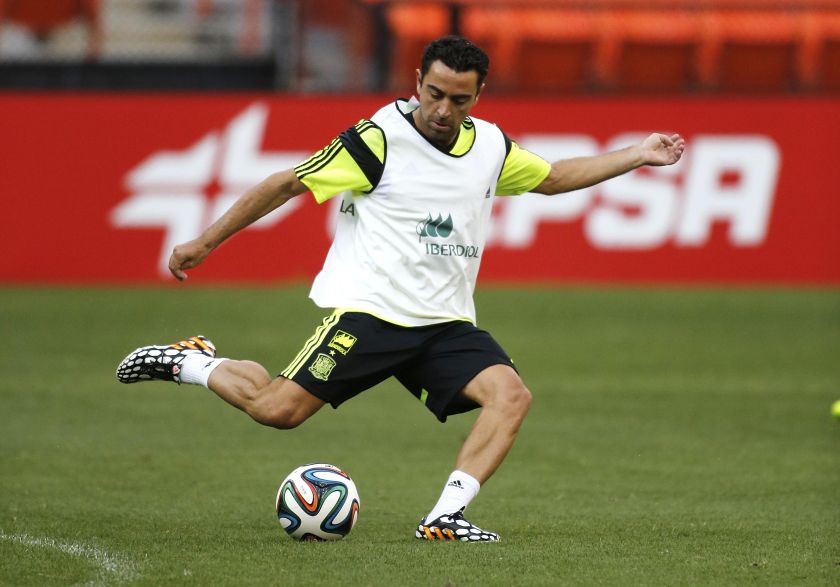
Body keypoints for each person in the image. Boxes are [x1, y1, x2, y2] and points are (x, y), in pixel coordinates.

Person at [116, 36, 685, 542]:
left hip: (444, 325)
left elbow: (555, 178)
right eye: (434, 93)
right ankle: (193, 363)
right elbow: (284, 183)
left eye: (458, 100)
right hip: (373, 315)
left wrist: (638, 153)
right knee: (276, 411)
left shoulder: (489, 147)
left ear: (478, 96)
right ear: (416, 82)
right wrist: (206, 243)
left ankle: (446, 516)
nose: (442, 109)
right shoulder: (377, 141)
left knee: (511, 396)